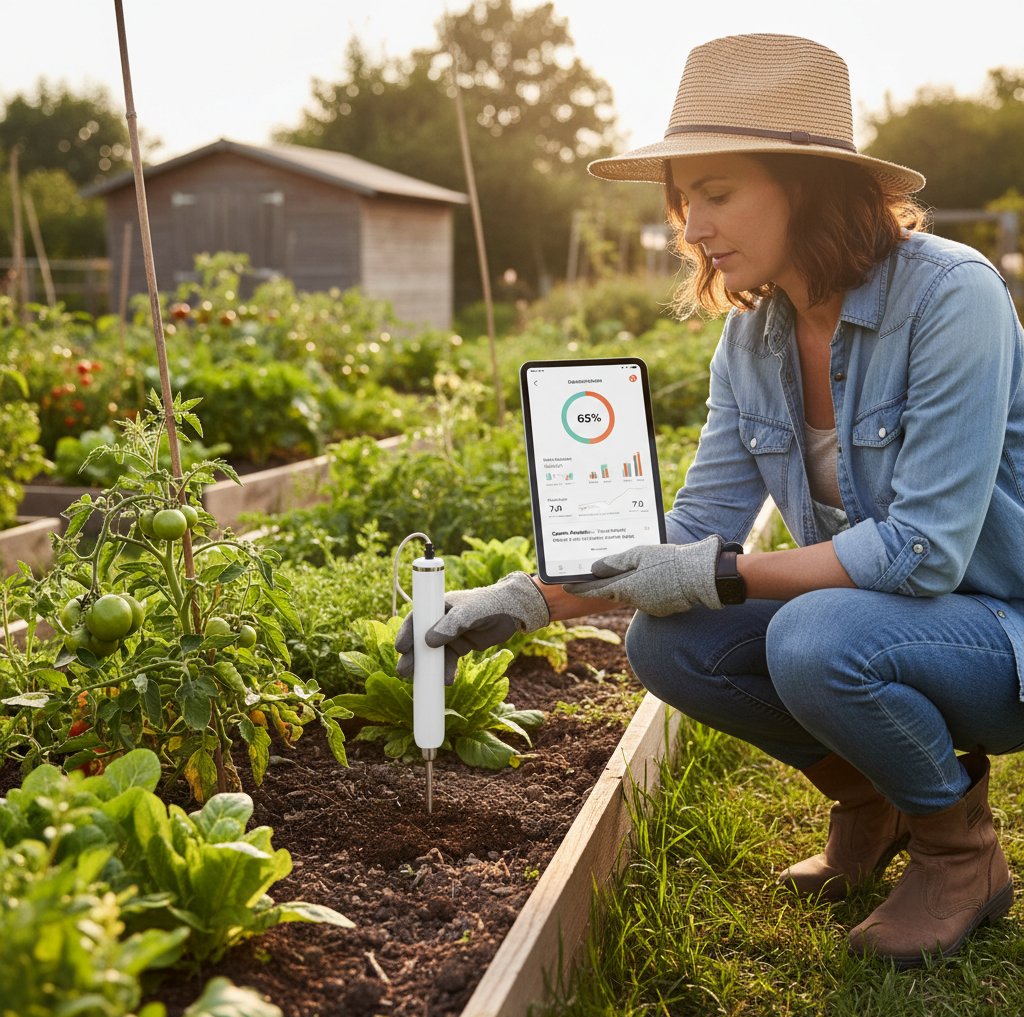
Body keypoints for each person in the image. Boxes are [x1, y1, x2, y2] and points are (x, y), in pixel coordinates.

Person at [396, 32, 1024, 968]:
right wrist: (531, 600)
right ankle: (872, 800)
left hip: (996, 631)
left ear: (806, 186)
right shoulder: (754, 340)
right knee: (669, 642)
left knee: (812, 640)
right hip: (887, 623)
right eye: (685, 200)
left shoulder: (951, 297)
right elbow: (694, 534)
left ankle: (957, 850)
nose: (690, 226)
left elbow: (923, 553)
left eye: (717, 193)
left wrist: (723, 573)